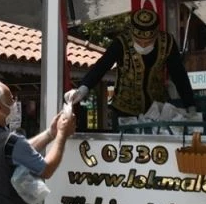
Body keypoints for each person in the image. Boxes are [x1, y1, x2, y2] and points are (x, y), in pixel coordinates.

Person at [65, 8, 197, 128]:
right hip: (124, 111)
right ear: (132, 34)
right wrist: (82, 89)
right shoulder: (121, 43)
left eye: (148, 41)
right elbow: (101, 67)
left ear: (156, 36)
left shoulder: (167, 43)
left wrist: (190, 105)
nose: (143, 45)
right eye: (139, 41)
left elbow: (179, 75)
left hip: (157, 110)